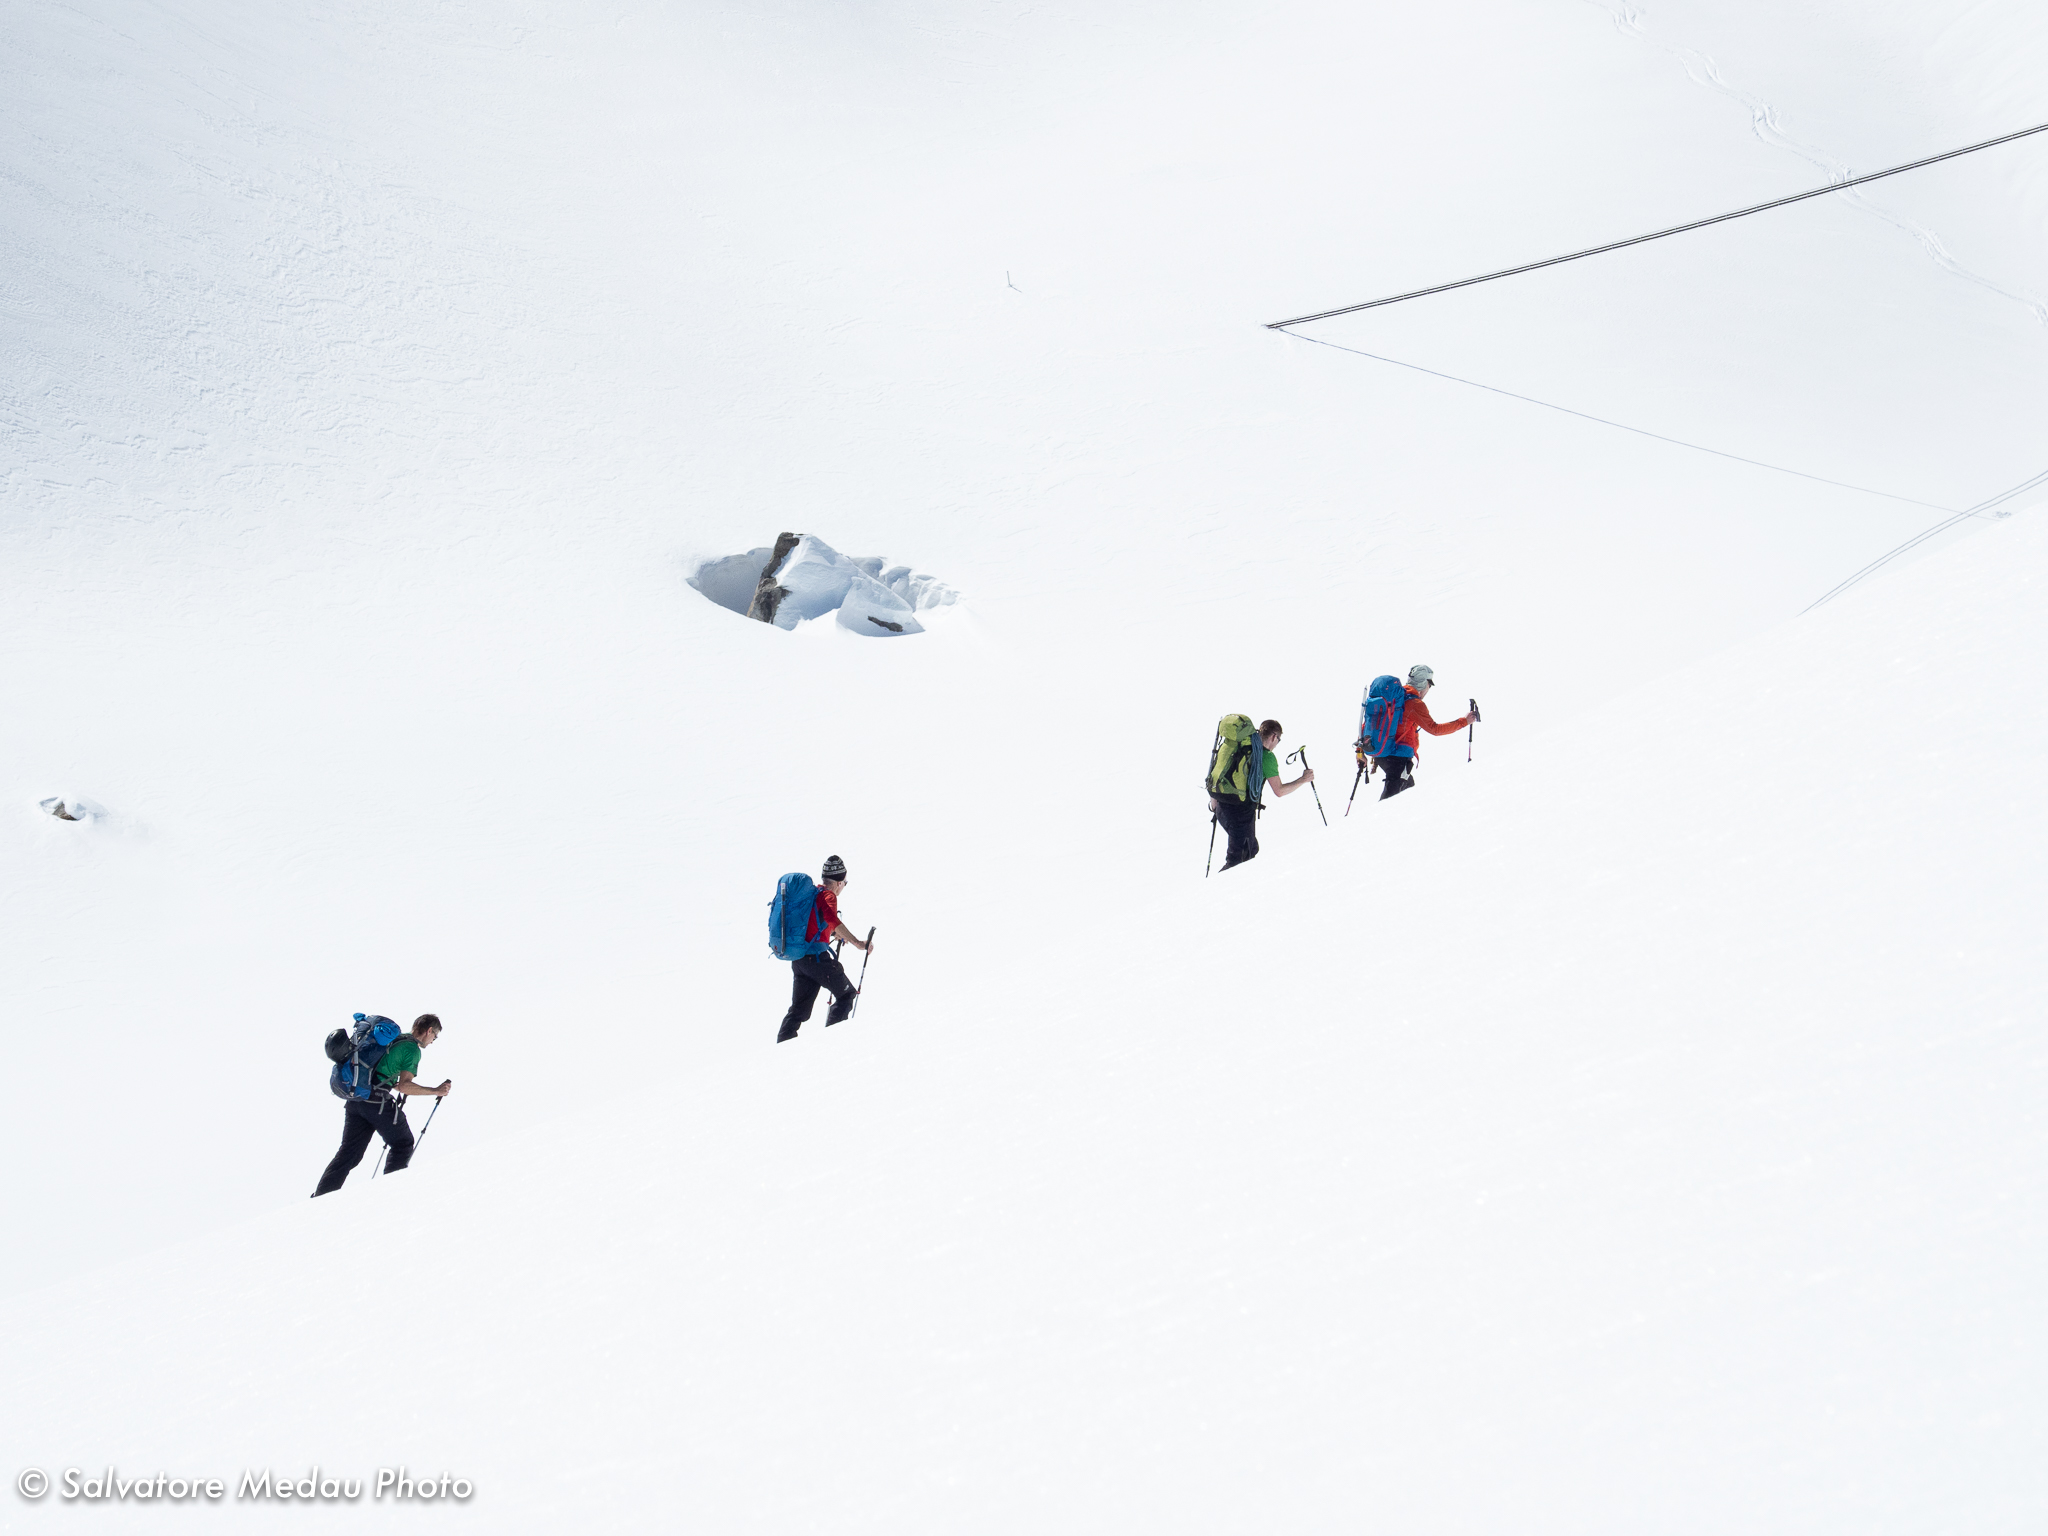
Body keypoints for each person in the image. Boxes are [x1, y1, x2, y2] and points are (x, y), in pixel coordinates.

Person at [312, 1014, 451, 1196]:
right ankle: (390, 1195)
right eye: (435, 1036)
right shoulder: (411, 1049)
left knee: (349, 1153)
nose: (433, 1041)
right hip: (375, 1101)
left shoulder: (394, 1039)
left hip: (356, 1100)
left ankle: (321, 1196)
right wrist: (436, 1091)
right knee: (403, 1143)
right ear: (429, 1031)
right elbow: (404, 1086)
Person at [778, 855, 872, 1042]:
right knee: (847, 995)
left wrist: (832, 934)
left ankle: (781, 1048)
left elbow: (816, 925)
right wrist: (858, 943)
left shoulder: (813, 894)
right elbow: (832, 920)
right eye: (845, 882)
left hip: (800, 961)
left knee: (798, 1011)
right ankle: (832, 1044)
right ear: (838, 882)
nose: (844, 886)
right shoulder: (828, 896)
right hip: (817, 960)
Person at [1210, 719, 1315, 871]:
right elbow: (1279, 791)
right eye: (1278, 740)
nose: (1277, 743)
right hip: (1240, 812)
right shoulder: (1266, 756)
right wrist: (1303, 780)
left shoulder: (1238, 747)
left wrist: (1215, 801)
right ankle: (1212, 893)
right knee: (1238, 861)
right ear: (1274, 736)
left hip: (1222, 807)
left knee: (1251, 848)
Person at [1373, 665, 1471, 800]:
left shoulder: (1393, 699)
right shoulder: (1414, 703)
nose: (1428, 689)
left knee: (1408, 788)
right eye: (1429, 685)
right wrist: (1464, 721)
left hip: (1381, 752)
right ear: (1424, 683)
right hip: (1398, 756)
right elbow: (1435, 729)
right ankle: (1377, 821)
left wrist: (1360, 751)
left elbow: (1371, 721)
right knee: (1391, 798)